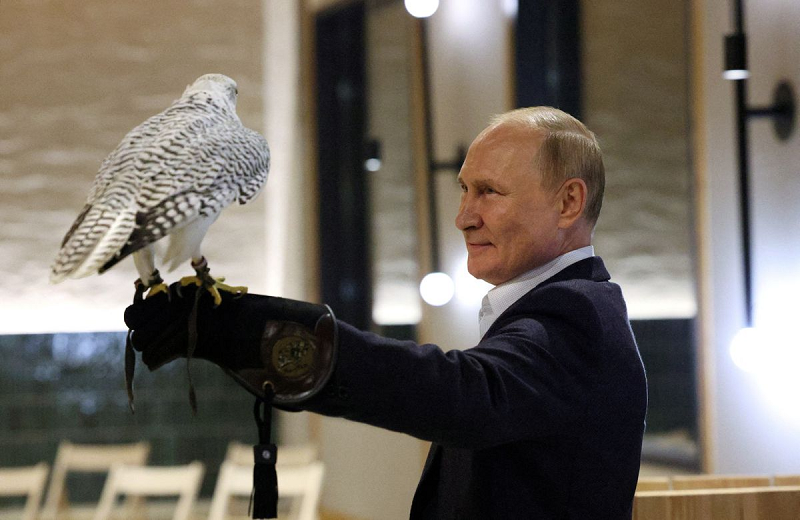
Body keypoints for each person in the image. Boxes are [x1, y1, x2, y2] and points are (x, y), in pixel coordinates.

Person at [125, 106, 647, 519]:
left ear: (568, 203)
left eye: (489, 192)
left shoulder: (578, 317)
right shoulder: (552, 313)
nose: (465, 216)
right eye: (464, 190)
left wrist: (257, 332)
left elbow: (464, 396)